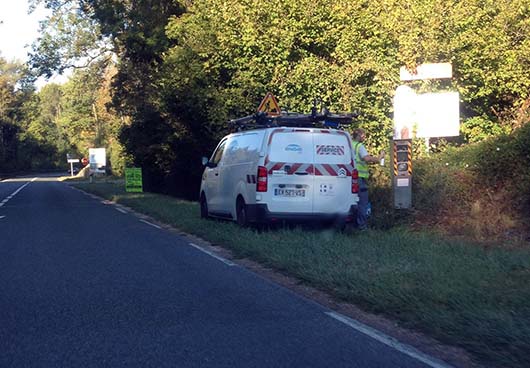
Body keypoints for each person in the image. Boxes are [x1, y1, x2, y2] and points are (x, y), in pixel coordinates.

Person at [351, 128, 384, 230]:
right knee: (362, 202)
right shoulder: (359, 146)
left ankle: (350, 224)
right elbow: (367, 158)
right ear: (359, 135)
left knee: (351, 201)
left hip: (349, 178)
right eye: (363, 135)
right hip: (360, 178)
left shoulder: (349, 144)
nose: (364, 137)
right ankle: (362, 226)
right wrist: (379, 158)